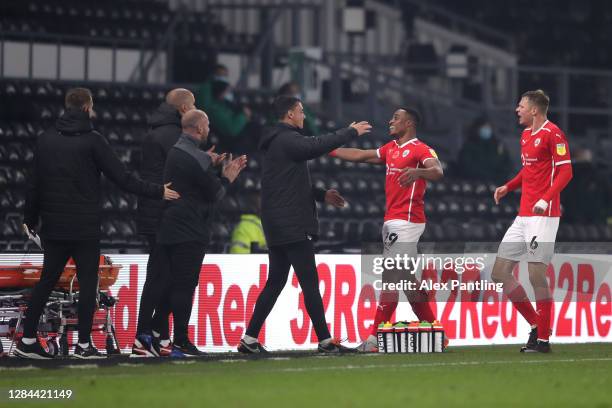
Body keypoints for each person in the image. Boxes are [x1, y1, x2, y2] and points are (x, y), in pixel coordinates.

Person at [16, 88, 179, 359]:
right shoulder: (94, 141)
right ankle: (83, 345)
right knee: (89, 284)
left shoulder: (45, 140)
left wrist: (29, 220)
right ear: (87, 107)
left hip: (54, 227)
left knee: (46, 281)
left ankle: (28, 339)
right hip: (84, 227)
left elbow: (34, 184)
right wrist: (157, 191)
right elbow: (123, 178)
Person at [238, 95, 371, 354]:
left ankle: (250, 338)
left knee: (275, 281)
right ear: (289, 114)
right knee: (309, 283)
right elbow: (317, 145)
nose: (304, 116)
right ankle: (325, 341)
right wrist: (350, 131)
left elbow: (289, 186)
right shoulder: (287, 139)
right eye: (300, 111)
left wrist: (321, 195)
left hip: (278, 223)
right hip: (292, 224)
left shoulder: (276, 141)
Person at [132, 110, 246, 357]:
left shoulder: (180, 151)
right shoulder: (192, 157)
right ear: (198, 128)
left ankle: (152, 336)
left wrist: (208, 165)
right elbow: (216, 193)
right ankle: (179, 340)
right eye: (207, 125)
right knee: (184, 287)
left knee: (170, 285)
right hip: (189, 230)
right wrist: (226, 177)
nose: (208, 130)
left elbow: (195, 182)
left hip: (171, 226)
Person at [330, 108, 444, 352]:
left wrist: (418, 171)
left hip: (407, 221)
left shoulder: (420, 148)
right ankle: (435, 331)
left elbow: (437, 171)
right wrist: (326, 148)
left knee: (390, 278)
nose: (390, 121)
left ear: (410, 122)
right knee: (404, 281)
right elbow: (361, 155)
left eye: (396, 118)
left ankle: (373, 339)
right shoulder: (391, 148)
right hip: (392, 221)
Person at [491, 89, 573, 353]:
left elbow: (566, 172)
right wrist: (509, 186)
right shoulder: (526, 135)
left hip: (544, 216)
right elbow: (529, 171)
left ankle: (544, 341)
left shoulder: (553, 134)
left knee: (535, 274)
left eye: (521, 106)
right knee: (499, 273)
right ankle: (538, 325)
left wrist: (546, 199)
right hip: (524, 215)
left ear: (534, 110)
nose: (517, 110)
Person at [135, 88, 196, 357]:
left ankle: (156, 336)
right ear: (184, 109)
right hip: (167, 215)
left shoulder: (155, 133)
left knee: (164, 277)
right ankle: (144, 337)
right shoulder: (176, 137)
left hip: (156, 212)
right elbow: (183, 177)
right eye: (194, 105)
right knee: (162, 278)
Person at [456, 117, 513, 184]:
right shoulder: (469, 147)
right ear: (477, 129)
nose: (486, 130)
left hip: (497, 183)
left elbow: (507, 164)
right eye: (484, 127)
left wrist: (500, 177)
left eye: (488, 128)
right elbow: (466, 167)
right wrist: (487, 176)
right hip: (475, 183)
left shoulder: (498, 146)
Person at [207, 79, 258, 153]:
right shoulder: (215, 110)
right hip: (230, 142)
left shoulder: (225, 104)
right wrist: (244, 116)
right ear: (220, 92)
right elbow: (232, 129)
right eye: (227, 91)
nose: (229, 94)